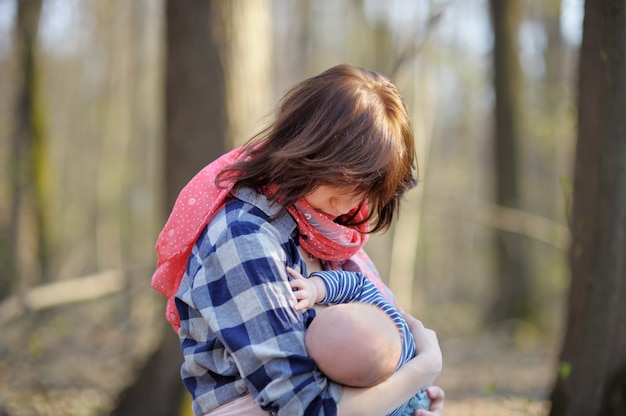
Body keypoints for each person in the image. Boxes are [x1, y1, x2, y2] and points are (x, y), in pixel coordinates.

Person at [151, 64, 445, 416]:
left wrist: (412, 400)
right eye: (346, 178)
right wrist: (421, 370)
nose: (352, 201)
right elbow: (300, 406)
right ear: (309, 146)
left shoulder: (325, 235)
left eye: (369, 186)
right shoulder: (244, 237)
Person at [287, 267, 433, 415]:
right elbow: (357, 285)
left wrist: (315, 288)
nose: (315, 316)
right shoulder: (386, 315)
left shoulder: (369, 398)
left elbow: (357, 285)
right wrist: (315, 288)